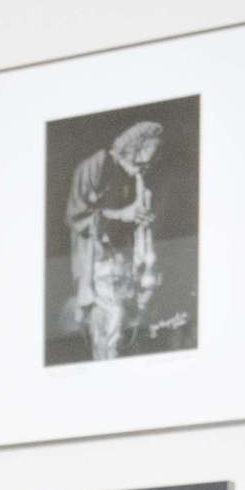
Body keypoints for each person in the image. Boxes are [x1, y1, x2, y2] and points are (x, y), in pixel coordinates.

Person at [64, 119, 167, 361]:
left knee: (124, 330)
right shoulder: (96, 164)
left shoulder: (134, 178)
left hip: (121, 264)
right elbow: (75, 216)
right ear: (132, 148)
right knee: (109, 328)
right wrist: (123, 215)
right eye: (143, 160)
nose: (147, 167)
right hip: (96, 264)